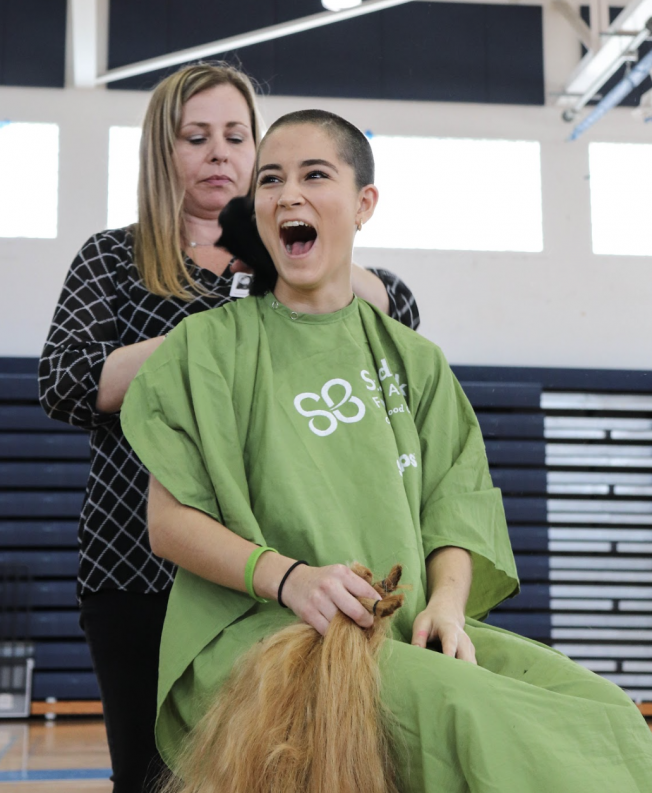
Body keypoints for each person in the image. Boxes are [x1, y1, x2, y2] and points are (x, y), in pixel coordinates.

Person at [121, 109, 652, 793]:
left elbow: (456, 509)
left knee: (606, 713)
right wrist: (291, 579)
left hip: (404, 634)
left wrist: (448, 607)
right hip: (273, 634)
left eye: (316, 175)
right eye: (272, 180)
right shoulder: (206, 347)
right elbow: (168, 524)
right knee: (474, 716)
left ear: (364, 204)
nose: (289, 195)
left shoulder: (417, 362)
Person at [37, 66, 420, 793]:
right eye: (196, 137)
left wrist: (278, 246)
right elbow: (64, 381)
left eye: (236, 137)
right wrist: (207, 336)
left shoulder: (288, 257)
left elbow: (398, 309)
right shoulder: (112, 258)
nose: (218, 153)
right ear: (163, 151)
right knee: (150, 779)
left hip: (274, 569)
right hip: (137, 569)